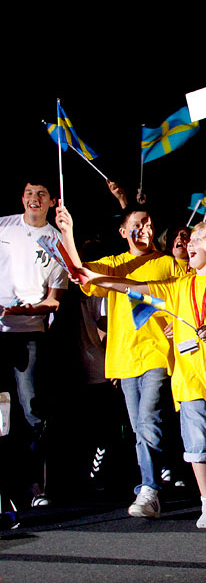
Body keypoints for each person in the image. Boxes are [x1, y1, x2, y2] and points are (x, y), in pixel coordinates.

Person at [76, 221, 206, 527]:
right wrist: (99, 279)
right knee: (197, 443)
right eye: (191, 239)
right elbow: (135, 288)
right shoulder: (178, 286)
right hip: (188, 378)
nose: (191, 243)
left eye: (199, 238)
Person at [55, 204, 182, 518]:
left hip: (156, 352)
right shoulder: (116, 264)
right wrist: (68, 233)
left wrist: (174, 323)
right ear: (123, 232)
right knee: (139, 425)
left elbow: (185, 298)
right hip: (124, 356)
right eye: (137, 225)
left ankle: (150, 489)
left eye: (149, 224)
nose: (144, 230)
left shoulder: (168, 263)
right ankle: (150, 483)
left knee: (148, 418)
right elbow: (80, 272)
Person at [0, 178, 68, 506]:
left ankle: (34, 486)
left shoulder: (56, 243)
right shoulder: (4, 227)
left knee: (31, 411)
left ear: (52, 201)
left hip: (29, 333)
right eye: (28, 193)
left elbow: (55, 301)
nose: (33, 199)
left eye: (40, 194)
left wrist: (24, 308)